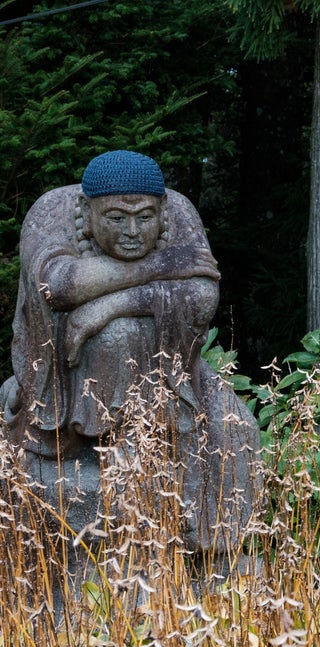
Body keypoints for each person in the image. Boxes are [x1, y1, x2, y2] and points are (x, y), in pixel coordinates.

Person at [2, 150, 259, 557]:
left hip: (169, 368)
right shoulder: (50, 211)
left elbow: (202, 297)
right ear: (87, 212)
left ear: (162, 211)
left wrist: (108, 305)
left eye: (145, 217)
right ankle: (99, 442)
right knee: (115, 336)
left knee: (237, 427)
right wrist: (169, 265)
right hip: (65, 373)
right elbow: (60, 285)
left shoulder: (180, 212)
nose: (133, 232)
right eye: (117, 218)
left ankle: (201, 532)